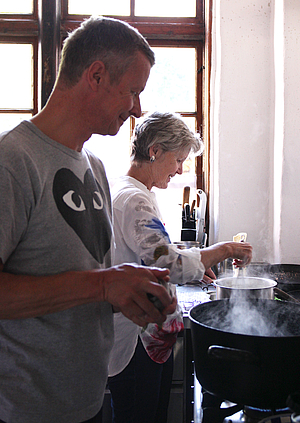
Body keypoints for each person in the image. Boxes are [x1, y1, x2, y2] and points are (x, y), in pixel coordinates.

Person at [0, 17, 177, 423]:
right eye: (132, 91)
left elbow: (86, 283)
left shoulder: (94, 167)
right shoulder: (13, 160)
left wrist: (128, 293)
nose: (136, 107)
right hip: (29, 411)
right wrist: (103, 284)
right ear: (96, 75)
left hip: (91, 399)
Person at [107, 111, 253, 423]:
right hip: (135, 341)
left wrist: (198, 265)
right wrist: (224, 249)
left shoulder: (134, 190)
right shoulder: (133, 198)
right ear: (155, 150)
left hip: (143, 335)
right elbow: (168, 263)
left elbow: (154, 251)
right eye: (178, 159)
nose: (179, 169)